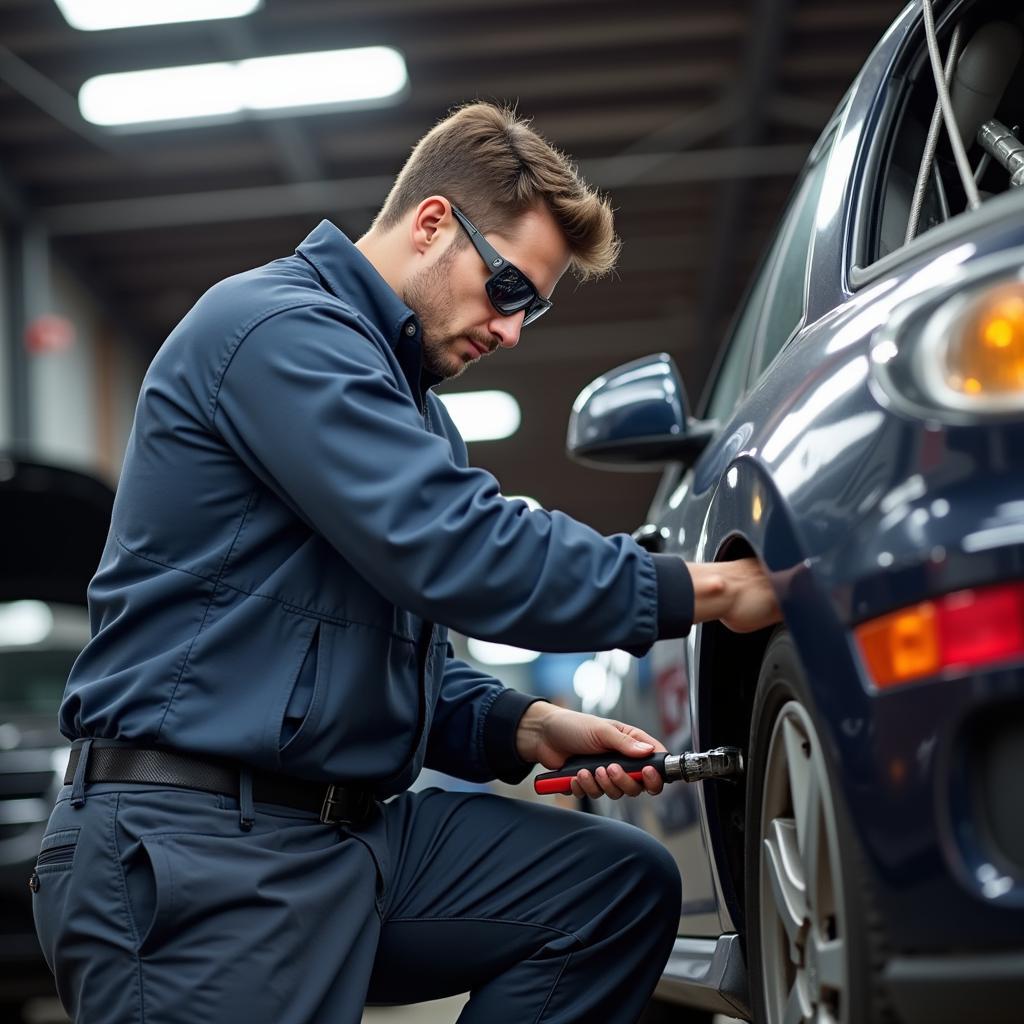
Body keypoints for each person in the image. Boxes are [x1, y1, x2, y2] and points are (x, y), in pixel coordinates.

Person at [33, 102, 781, 1024]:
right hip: (195, 852)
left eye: (533, 308)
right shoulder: (277, 331)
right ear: (432, 223)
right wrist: (705, 587)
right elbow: (457, 548)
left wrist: (523, 725)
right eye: (509, 287)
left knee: (607, 890)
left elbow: (372, 655)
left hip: (343, 844)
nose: (512, 330)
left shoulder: (411, 407)